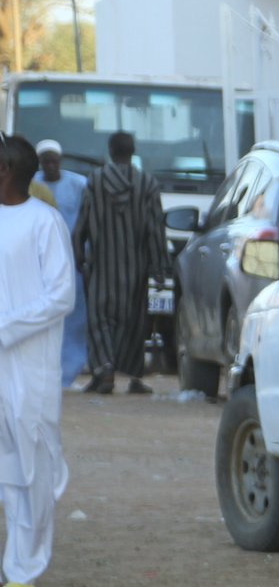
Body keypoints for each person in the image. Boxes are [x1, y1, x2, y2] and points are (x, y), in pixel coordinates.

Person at [0, 134, 76, 587]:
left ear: (6, 171)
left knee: (32, 464)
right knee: (6, 466)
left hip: (31, 368)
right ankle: (13, 562)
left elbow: (61, 295)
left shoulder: (45, 222)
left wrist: (6, 328)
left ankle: (24, 567)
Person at [72, 130, 168, 396]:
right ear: (133, 151)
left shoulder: (95, 180)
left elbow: (83, 220)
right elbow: (156, 228)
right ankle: (135, 377)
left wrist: (78, 252)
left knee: (100, 319)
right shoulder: (147, 183)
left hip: (102, 266)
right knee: (134, 322)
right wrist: (160, 267)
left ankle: (104, 370)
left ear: (111, 151)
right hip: (136, 267)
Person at [35, 140, 91, 389]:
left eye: (53, 161)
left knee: (74, 317)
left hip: (71, 260)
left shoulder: (79, 184)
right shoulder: (32, 184)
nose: (50, 165)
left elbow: (86, 221)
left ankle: (69, 372)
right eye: (45, 161)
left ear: (60, 161)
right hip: (38, 261)